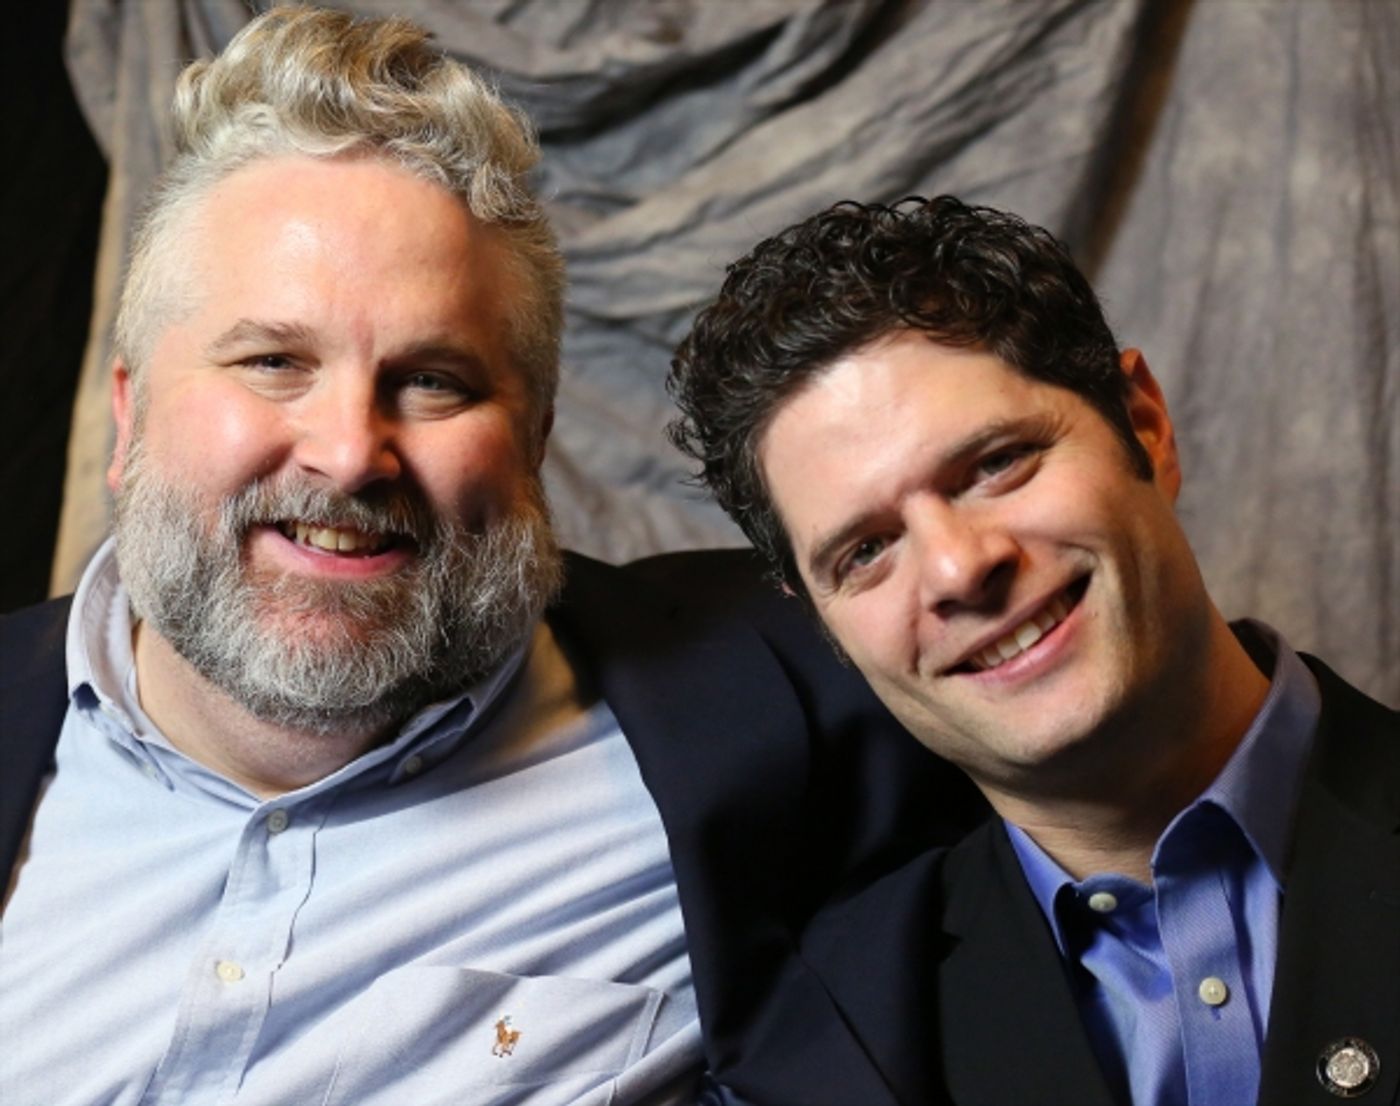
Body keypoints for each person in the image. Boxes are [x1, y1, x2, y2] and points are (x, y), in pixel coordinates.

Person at [0, 14, 981, 1106]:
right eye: (273, 360)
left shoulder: (785, 701)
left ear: (533, 435)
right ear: (130, 417)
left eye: (433, 380)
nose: (346, 453)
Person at [668, 195, 1400, 1106]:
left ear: (1144, 424)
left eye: (995, 464)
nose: (958, 568)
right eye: (866, 550)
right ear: (823, 622)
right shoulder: (833, 1033)